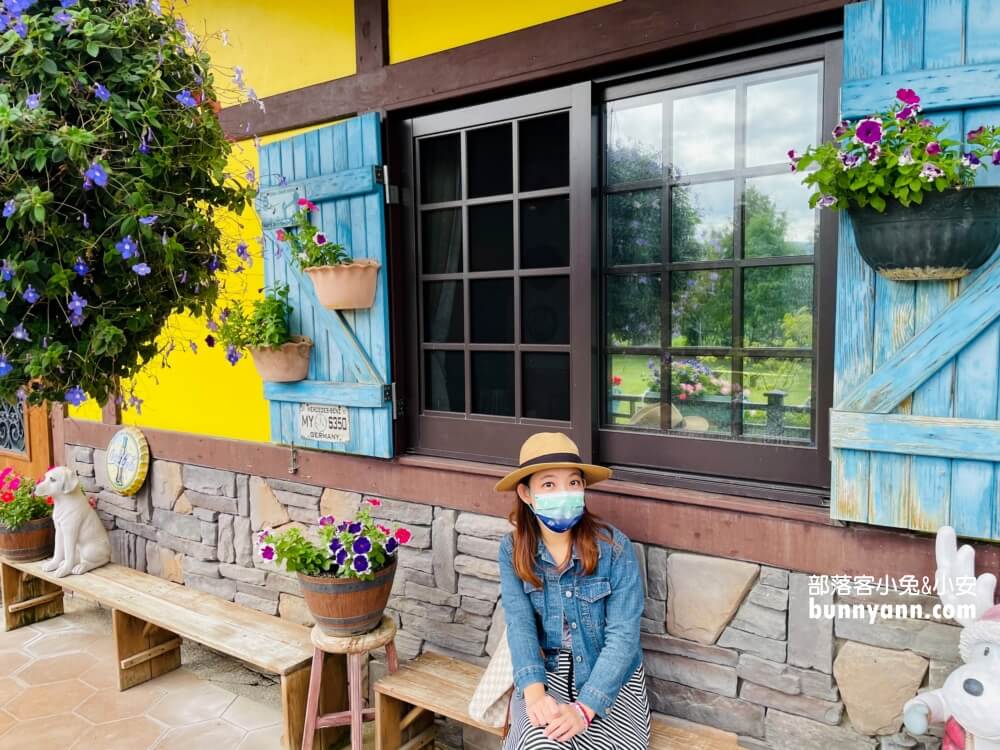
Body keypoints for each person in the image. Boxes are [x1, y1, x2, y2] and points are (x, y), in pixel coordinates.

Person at [497, 432, 651, 749]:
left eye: (573, 483)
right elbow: (519, 623)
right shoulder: (512, 550)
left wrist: (585, 708)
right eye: (549, 485)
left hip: (609, 681)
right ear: (526, 493)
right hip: (547, 673)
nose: (564, 492)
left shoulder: (615, 548)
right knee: (541, 744)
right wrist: (535, 694)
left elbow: (623, 636)